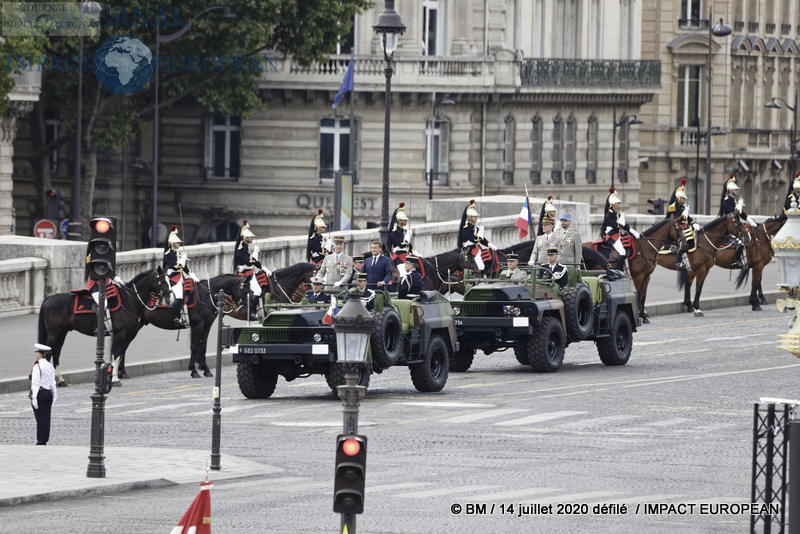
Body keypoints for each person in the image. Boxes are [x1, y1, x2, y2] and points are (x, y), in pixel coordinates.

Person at [233, 221, 271, 320]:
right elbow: (249, 262)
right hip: (246, 273)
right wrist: (255, 253)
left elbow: (252, 261)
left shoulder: (245, 247)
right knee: (257, 291)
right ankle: (252, 312)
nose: (252, 239)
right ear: (246, 238)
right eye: (250, 237)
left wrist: (263, 267)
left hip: (250, 271)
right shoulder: (241, 249)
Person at [718, 175, 756, 268]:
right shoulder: (726, 200)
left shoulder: (733, 200)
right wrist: (737, 209)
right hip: (728, 225)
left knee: (747, 235)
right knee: (740, 242)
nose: (737, 191)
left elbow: (741, 213)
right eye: (735, 189)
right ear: (730, 190)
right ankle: (736, 261)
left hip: (735, 224)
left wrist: (749, 220)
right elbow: (731, 215)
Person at [162, 226, 194, 328]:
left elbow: (183, 268)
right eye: (177, 243)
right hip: (172, 277)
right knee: (179, 295)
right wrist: (183, 259)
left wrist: (191, 274)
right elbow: (175, 267)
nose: (179, 244)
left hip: (179, 277)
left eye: (179, 243)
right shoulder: (168, 254)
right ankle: (175, 317)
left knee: (190, 291)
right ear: (172, 243)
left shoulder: (177, 253)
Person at [664, 179, 698, 271]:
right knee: (683, 239)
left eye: (684, 198)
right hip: (674, 227)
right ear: (678, 198)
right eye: (683, 198)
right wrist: (683, 215)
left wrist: (693, 223)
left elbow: (688, 218)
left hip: (683, 227)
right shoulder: (672, 207)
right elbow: (673, 220)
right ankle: (678, 261)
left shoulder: (682, 207)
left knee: (693, 237)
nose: (684, 199)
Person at [600, 188, 640, 265]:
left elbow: (623, 226)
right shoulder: (609, 215)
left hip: (617, 235)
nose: (619, 204)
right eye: (617, 203)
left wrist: (633, 231)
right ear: (613, 204)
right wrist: (621, 220)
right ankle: (620, 270)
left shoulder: (616, 213)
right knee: (622, 252)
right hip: (612, 236)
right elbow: (616, 226)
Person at [457, 200, 496, 276]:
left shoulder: (475, 227)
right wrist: (481, 232)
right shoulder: (465, 228)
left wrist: (490, 244)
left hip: (477, 249)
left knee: (489, 256)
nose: (476, 218)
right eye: (475, 216)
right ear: (470, 217)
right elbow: (475, 240)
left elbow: (482, 240)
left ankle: (486, 275)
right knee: (480, 265)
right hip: (469, 251)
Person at [30, 343, 56, 445]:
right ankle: (45, 438)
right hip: (48, 393)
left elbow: (35, 383)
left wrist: (34, 398)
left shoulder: (37, 366)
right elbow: (53, 383)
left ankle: (40, 440)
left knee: (40, 418)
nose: (35, 354)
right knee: (47, 417)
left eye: (36, 352)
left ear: (40, 354)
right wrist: (54, 396)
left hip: (40, 393)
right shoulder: (50, 366)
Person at [386, 202, 414, 278]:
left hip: (407, 255)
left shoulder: (404, 230)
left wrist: (414, 251)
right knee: (404, 274)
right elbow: (401, 245)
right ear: (399, 220)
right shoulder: (394, 232)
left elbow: (409, 246)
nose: (406, 221)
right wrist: (408, 237)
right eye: (404, 220)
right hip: (399, 256)